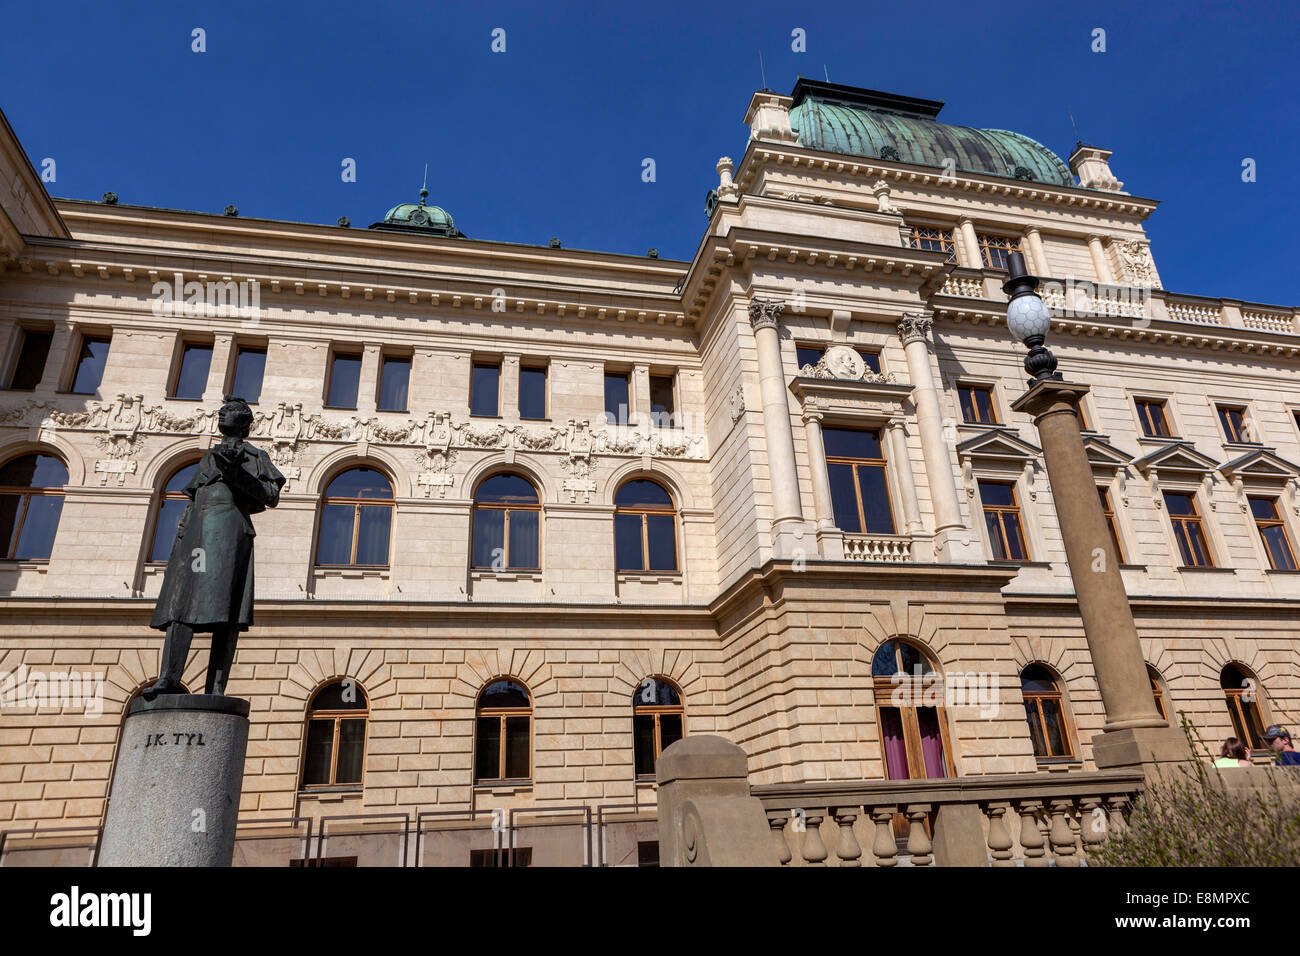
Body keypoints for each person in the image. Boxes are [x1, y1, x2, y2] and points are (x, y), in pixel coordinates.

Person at [143, 396, 285, 699]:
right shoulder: (209, 454)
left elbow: (270, 496)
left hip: (230, 534)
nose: (223, 413)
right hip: (197, 538)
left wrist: (236, 473)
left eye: (231, 411)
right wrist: (183, 528)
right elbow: (196, 494)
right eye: (223, 410)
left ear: (245, 422)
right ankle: (169, 676)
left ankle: (216, 686)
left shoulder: (256, 455)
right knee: (182, 600)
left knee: (228, 607)